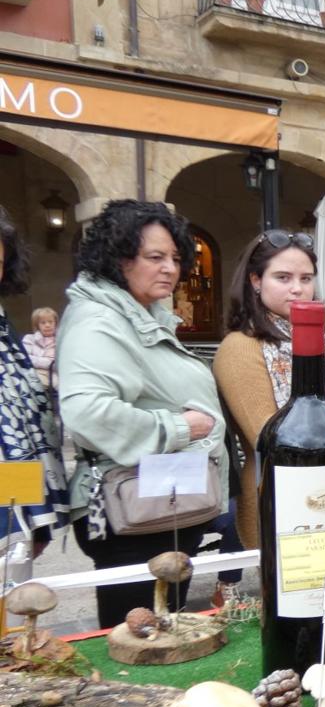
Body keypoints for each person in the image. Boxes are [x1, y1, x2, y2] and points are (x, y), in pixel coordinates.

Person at [57, 200, 228, 628]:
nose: (170, 268)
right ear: (118, 258)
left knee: (165, 631)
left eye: (174, 257)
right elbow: (86, 410)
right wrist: (178, 427)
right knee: (137, 637)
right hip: (132, 510)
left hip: (161, 503)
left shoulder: (139, 314)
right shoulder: (99, 320)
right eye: (155, 257)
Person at [214, 230, 325, 552]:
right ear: (256, 280)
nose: (298, 288)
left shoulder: (321, 344)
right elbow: (269, 436)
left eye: (306, 278)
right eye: (283, 277)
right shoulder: (240, 348)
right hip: (283, 499)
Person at [0, 209, 68, 566]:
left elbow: (21, 431)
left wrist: (35, 520)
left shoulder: (4, 332)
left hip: (11, 506)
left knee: (14, 605)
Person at [21, 306, 57, 387]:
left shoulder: (61, 340)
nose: (47, 325)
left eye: (51, 322)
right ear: (37, 325)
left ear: (56, 323)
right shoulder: (29, 339)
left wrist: (38, 360)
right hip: (36, 372)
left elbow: (61, 363)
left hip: (56, 374)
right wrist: (49, 362)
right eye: (43, 323)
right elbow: (25, 358)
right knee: (37, 385)